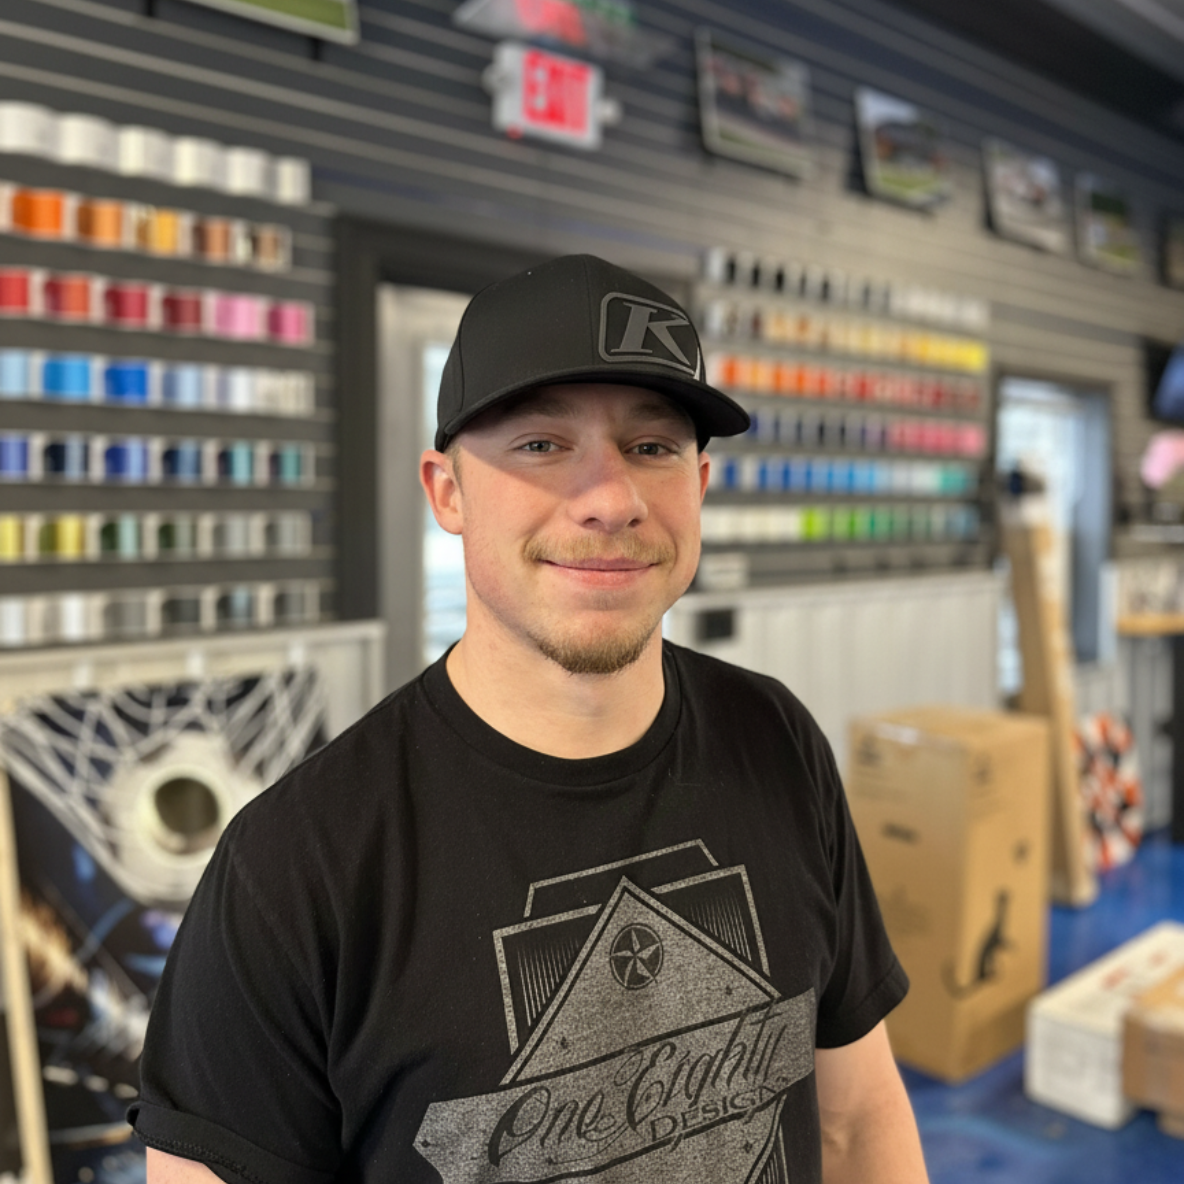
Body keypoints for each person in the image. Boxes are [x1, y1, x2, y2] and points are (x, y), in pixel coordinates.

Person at [132, 254, 929, 1184]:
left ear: (700, 485)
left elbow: (857, 1118)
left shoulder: (777, 741)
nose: (611, 501)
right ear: (447, 492)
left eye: (653, 446)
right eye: (542, 444)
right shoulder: (297, 866)